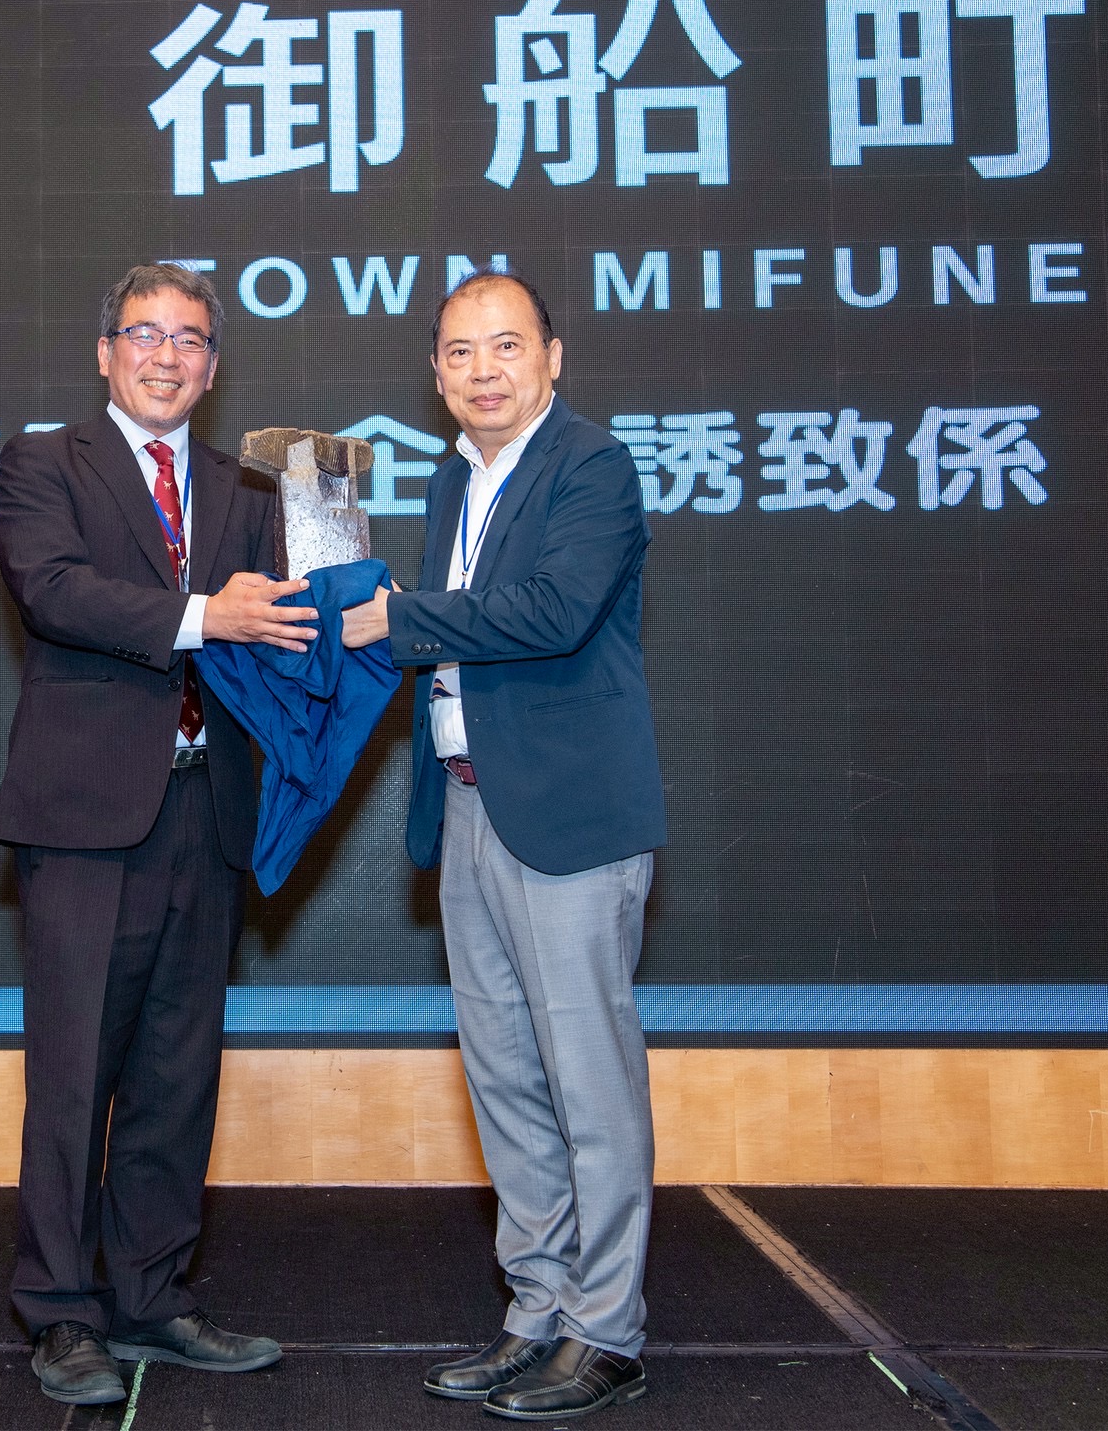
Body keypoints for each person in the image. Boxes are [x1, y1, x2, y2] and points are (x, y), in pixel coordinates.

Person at [0, 263, 317, 1406]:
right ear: (105, 351)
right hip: (86, 818)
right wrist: (204, 614)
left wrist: (336, 579)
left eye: (189, 339)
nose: (165, 355)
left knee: (179, 1073)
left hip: (205, 807)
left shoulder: (247, 489)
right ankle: (61, 1311)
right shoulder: (43, 464)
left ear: (214, 367)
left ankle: (152, 1294)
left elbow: (294, 621)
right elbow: (54, 591)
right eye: (144, 333)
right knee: (75, 1072)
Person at [341, 269, 666, 1420]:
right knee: (506, 1080)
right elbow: (445, 639)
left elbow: (552, 611)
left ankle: (607, 1330)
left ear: (553, 357)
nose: (484, 370)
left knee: (589, 1082)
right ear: (435, 373)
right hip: (468, 806)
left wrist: (395, 617)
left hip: (569, 818)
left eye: (507, 346)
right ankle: (538, 1309)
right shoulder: (451, 479)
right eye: (460, 352)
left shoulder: (593, 466)